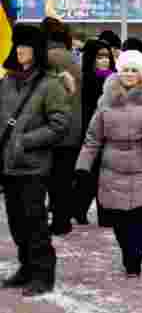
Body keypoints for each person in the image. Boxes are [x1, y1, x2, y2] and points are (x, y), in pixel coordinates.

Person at [74, 50, 142, 277]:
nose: (129, 74)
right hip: (113, 168)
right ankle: (127, 252)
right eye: (125, 70)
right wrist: (82, 166)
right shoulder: (105, 102)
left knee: (138, 216)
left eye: (134, 70)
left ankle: (135, 257)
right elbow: (93, 138)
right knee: (118, 219)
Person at [0, 24, 71, 296]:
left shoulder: (50, 84)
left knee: (34, 221)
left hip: (33, 165)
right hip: (8, 165)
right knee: (16, 221)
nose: (20, 50)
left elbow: (60, 124)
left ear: (37, 50)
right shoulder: (6, 82)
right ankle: (26, 267)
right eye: (18, 45)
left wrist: (25, 141)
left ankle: (43, 274)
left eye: (26, 46)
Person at [40, 17, 83, 237]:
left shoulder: (46, 58)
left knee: (50, 180)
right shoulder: (72, 58)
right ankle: (63, 220)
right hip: (73, 128)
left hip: (51, 128)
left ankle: (57, 222)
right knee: (64, 179)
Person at [75, 38, 116, 225]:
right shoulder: (86, 80)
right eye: (100, 57)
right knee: (89, 176)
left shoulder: (115, 79)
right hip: (91, 133)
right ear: (91, 58)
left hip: (112, 133)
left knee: (106, 176)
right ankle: (80, 209)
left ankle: (104, 215)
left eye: (107, 56)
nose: (105, 60)